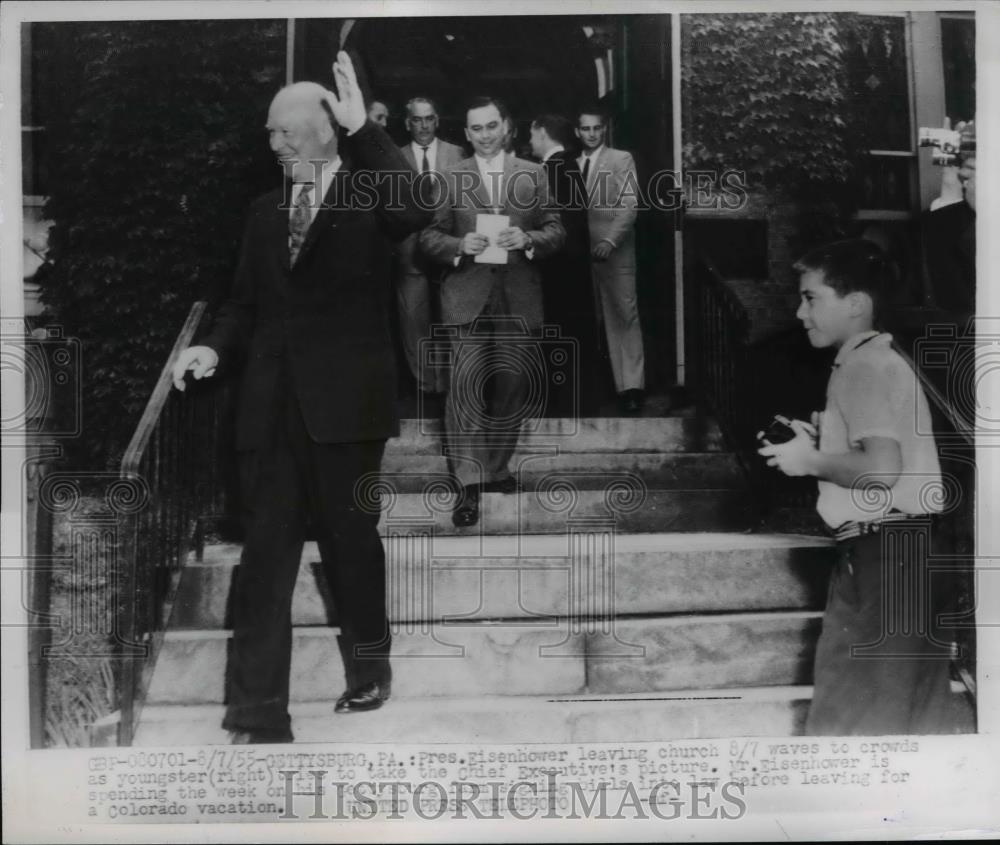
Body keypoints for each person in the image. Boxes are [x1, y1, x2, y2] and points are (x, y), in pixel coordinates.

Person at [171, 53, 432, 743]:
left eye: (285, 131)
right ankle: (258, 712)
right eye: (270, 132)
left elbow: (416, 208)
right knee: (265, 557)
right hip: (270, 411)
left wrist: (365, 130)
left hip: (346, 411)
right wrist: (212, 349)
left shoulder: (368, 194)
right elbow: (244, 304)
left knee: (352, 547)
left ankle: (369, 670)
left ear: (324, 131)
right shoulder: (263, 211)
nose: (274, 144)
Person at [758, 239, 969, 735]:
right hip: (906, 552)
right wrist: (825, 444)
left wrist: (808, 461)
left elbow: (879, 471)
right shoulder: (880, 360)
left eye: (811, 298)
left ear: (855, 304)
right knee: (912, 718)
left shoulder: (862, 367)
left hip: (883, 557)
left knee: (852, 722)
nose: (800, 312)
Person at [419, 96, 565, 527]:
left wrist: (530, 239)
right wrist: (458, 245)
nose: (484, 135)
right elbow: (428, 237)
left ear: (506, 127)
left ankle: (496, 468)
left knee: (512, 385)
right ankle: (467, 482)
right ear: (466, 134)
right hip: (466, 294)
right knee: (464, 387)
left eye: (491, 126)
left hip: (518, 295)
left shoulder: (533, 174)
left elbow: (557, 228)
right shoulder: (450, 177)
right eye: (476, 128)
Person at [395, 97, 465, 410]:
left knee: (451, 316)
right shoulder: (395, 157)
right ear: (407, 123)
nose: (423, 126)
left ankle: (450, 384)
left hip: (449, 247)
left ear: (437, 121)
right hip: (410, 251)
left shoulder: (457, 154)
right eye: (416, 119)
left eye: (429, 119)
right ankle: (425, 388)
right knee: (413, 317)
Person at [529, 113, 601, 416]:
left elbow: (556, 225)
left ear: (543, 134)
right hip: (573, 268)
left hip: (558, 269)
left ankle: (561, 404)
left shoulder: (551, 169)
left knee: (559, 333)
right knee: (573, 334)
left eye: (532, 135)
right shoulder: (569, 166)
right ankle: (575, 400)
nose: (530, 142)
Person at [576, 107, 645, 415]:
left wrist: (610, 240)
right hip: (581, 256)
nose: (591, 134)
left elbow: (629, 205)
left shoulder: (620, 159)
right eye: (586, 129)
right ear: (577, 132)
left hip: (615, 253)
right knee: (588, 319)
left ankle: (631, 388)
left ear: (604, 130)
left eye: (596, 128)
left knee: (623, 316)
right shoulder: (571, 165)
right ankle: (596, 389)